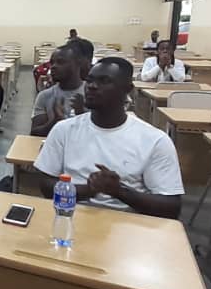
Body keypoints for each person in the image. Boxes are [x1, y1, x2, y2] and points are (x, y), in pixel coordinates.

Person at [33, 57, 184, 218]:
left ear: (128, 89)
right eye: (89, 80)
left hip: (128, 223)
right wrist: (89, 190)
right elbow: (46, 184)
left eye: (104, 81)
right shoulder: (64, 130)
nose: (92, 86)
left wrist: (119, 191)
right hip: (71, 216)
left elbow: (171, 207)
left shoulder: (155, 140)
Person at [31, 39, 93, 137]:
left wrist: (81, 113)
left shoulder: (92, 93)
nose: (53, 67)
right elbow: (34, 133)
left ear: (78, 64)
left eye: (61, 62)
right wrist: (55, 121)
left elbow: (101, 134)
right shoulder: (45, 96)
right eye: (52, 63)